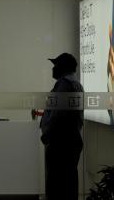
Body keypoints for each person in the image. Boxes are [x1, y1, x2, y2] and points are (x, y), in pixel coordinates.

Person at [40, 53, 84, 200]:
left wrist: (47, 134)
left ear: (62, 68)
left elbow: (58, 115)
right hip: (71, 141)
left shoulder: (64, 85)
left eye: (55, 65)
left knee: (57, 187)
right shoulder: (76, 84)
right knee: (68, 184)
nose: (53, 69)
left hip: (60, 143)